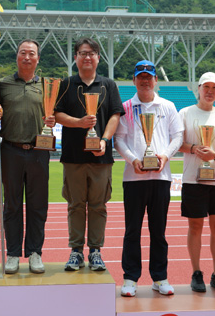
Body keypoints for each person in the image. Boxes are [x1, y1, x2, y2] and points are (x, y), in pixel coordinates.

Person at [114, 60, 183, 297]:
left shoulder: (168, 106)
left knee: (158, 231)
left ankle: (160, 277)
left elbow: (178, 137)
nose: (145, 80)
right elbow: (119, 139)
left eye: (149, 76)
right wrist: (133, 159)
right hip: (134, 178)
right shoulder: (125, 107)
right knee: (132, 230)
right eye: (140, 76)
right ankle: (130, 277)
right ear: (134, 80)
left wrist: (164, 156)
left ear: (155, 80)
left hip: (161, 177)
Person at [54, 37, 124, 272]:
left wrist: (104, 140)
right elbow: (57, 115)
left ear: (98, 58)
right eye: (82, 53)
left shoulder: (109, 85)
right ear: (75, 58)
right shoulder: (66, 84)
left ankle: (95, 251)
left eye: (91, 53)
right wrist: (79, 123)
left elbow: (115, 115)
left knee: (98, 205)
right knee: (75, 205)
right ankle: (76, 251)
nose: (87, 57)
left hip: (101, 157)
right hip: (73, 156)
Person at [0, 39, 55, 274]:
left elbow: (54, 113)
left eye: (32, 53)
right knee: (12, 205)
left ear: (38, 58)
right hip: (10, 149)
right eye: (22, 53)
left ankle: (35, 252)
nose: (27, 57)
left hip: (39, 151)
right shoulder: (3, 84)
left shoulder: (48, 86)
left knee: (38, 206)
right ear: (16, 56)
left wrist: (52, 119)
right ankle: (12, 253)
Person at [179, 72, 215, 293]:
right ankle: (196, 272)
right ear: (198, 88)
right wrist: (194, 149)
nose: (210, 91)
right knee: (195, 226)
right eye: (206, 87)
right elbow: (177, 142)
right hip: (193, 178)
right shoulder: (185, 113)